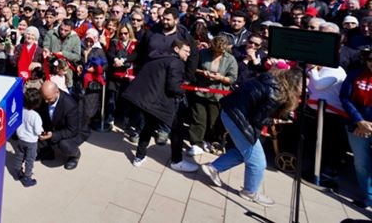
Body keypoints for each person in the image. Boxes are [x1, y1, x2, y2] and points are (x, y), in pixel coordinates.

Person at [200, 68, 303, 207]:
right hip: (238, 119)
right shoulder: (276, 94)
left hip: (231, 112)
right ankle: (249, 192)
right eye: (303, 86)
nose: (304, 90)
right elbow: (257, 119)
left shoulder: (269, 79)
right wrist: (275, 121)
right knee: (258, 162)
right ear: (294, 84)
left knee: (243, 153)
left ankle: (214, 168)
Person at [124, 39, 197, 173]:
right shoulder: (176, 62)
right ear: (176, 49)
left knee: (148, 126)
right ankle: (177, 161)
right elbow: (172, 88)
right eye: (186, 51)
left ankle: (139, 156)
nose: (188, 55)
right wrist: (184, 90)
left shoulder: (157, 56)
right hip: (160, 102)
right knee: (177, 130)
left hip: (148, 100)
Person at [340, 48, 372, 209]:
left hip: (368, 126)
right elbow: (345, 98)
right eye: (370, 59)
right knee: (361, 162)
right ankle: (368, 195)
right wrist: (359, 121)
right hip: (357, 125)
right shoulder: (355, 74)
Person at [37, 80, 90, 170]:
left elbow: (72, 130)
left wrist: (53, 135)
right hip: (54, 125)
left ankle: (74, 155)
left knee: (64, 144)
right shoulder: (46, 97)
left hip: (74, 131)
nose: (46, 101)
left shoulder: (70, 105)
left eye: (48, 98)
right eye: (44, 98)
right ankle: (47, 151)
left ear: (57, 92)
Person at [14, 88, 44, 187]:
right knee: (29, 160)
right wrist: (42, 132)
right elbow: (37, 131)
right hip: (31, 142)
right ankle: (27, 177)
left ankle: (18, 171)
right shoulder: (36, 116)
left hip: (21, 139)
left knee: (19, 156)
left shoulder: (20, 110)